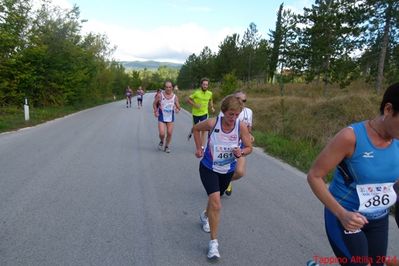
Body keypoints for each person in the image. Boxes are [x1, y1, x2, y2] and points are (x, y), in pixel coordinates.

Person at [307, 82, 399, 266]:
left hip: (379, 218)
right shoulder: (351, 137)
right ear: (388, 109)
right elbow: (315, 176)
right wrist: (342, 214)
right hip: (345, 217)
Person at [193, 95, 252, 260]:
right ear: (223, 112)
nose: (233, 118)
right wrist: (199, 148)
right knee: (217, 204)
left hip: (227, 170)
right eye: (230, 114)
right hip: (208, 168)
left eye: (236, 114)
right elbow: (196, 129)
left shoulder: (241, 127)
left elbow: (249, 147)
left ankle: (205, 215)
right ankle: (213, 243)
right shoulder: (213, 123)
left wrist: (242, 152)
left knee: (215, 197)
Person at [225, 91, 254, 196]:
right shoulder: (228, 111)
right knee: (223, 169)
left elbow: (248, 128)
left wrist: (249, 135)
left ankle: (227, 181)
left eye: (244, 100)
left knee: (240, 172)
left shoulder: (249, 112)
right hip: (227, 145)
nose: (242, 102)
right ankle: (222, 181)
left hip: (240, 146)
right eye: (239, 99)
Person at [153, 80, 181, 153]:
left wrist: (177, 109)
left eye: (170, 87)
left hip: (170, 117)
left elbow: (178, 106)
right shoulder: (160, 95)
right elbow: (154, 104)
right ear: (164, 87)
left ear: (172, 88)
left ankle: (167, 146)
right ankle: (162, 141)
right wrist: (156, 111)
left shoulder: (174, 97)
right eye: (166, 87)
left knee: (169, 133)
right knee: (162, 133)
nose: (168, 88)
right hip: (162, 116)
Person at [187, 77, 215, 147]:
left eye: (206, 85)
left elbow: (210, 100)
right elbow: (189, 100)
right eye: (204, 84)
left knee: (204, 130)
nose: (205, 86)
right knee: (196, 130)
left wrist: (211, 107)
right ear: (201, 85)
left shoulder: (210, 93)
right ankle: (192, 130)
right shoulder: (196, 93)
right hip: (196, 114)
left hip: (204, 113)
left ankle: (201, 146)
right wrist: (195, 105)